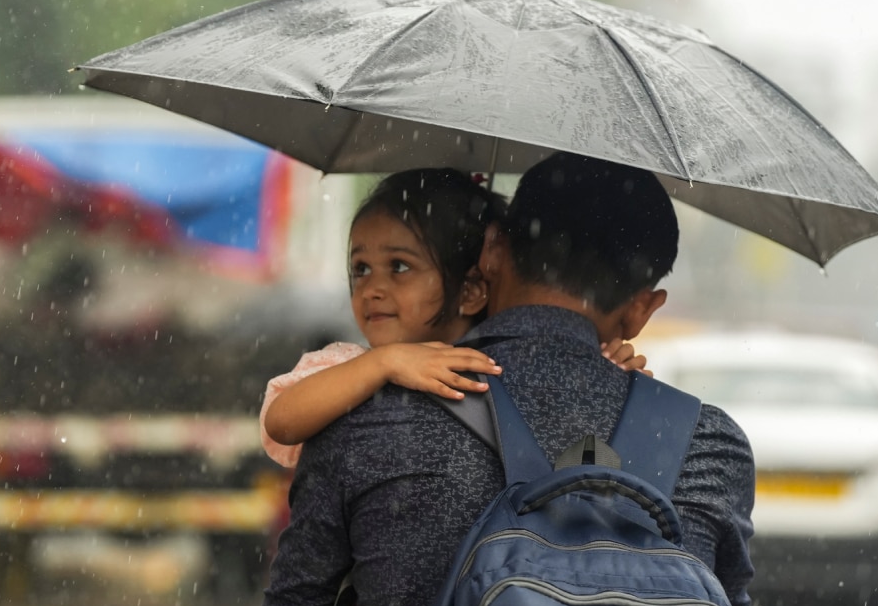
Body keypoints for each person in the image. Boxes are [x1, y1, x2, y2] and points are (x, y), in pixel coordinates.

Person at [262, 153, 756, 606]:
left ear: (494, 251)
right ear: (643, 309)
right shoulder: (706, 444)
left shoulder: (363, 412)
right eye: (362, 269)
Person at [258, 168, 649, 469]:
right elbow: (281, 421)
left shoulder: (504, 363)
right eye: (360, 268)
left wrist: (609, 371)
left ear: (471, 290)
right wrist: (384, 363)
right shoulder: (345, 365)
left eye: (399, 266)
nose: (372, 288)